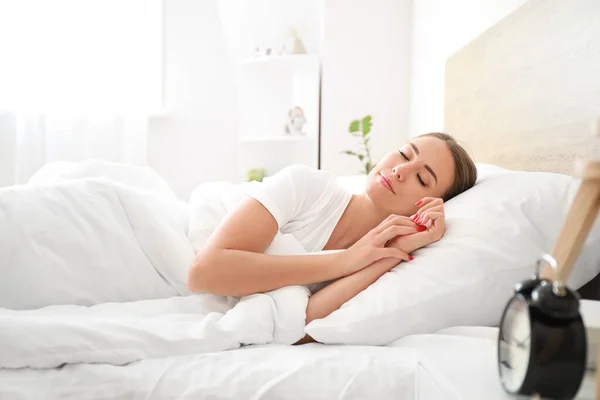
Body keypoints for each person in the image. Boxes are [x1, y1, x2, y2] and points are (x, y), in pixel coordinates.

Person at [187, 132, 477, 343]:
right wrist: (346, 261)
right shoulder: (306, 186)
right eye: (404, 154)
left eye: (422, 178)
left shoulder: (382, 259)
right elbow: (203, 273)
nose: (400, 170)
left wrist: (396, 249)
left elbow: (302, 326)